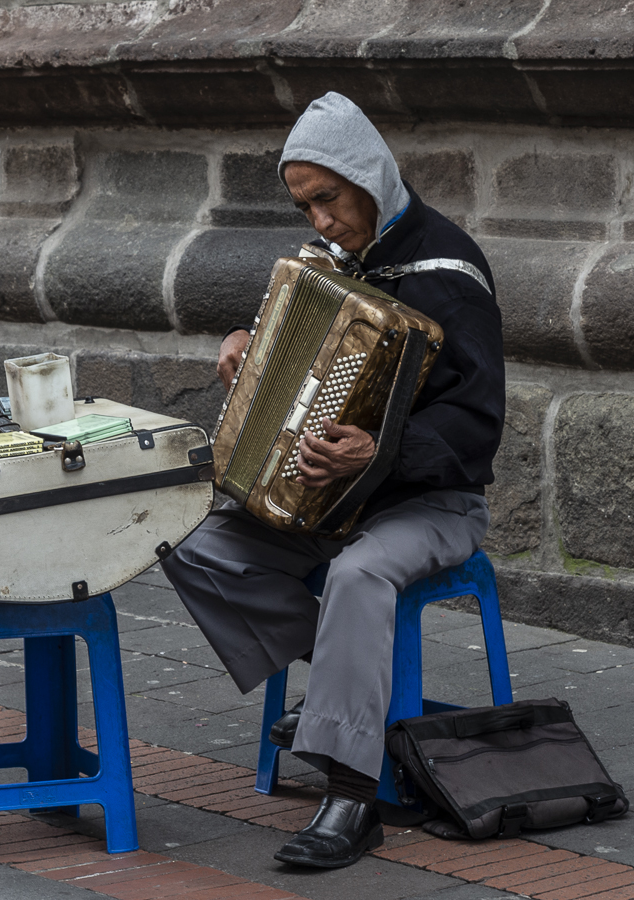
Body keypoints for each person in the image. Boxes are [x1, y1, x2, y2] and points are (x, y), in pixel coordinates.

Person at [161, 92, 506, 869]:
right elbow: (293, 353)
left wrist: (378, 455)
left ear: (369, 178)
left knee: (357, 575)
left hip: (432, 503)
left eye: (328, 198)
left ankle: (352, 796)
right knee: (190, 541)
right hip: (328, 498)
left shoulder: (446, 272)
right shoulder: (335, 265)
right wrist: (244, 343)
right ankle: (349, 697)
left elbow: (479, 426)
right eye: (304, 204)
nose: (318, 220)